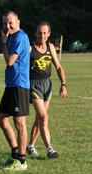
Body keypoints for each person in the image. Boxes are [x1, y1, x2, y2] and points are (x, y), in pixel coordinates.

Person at [27, 22, 67, 159]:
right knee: (43, 116)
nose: (42, 35)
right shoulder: (30, 48)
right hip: (33, 85)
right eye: (40, 32)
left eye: (45, 33)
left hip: (47, 85)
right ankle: (49, 149)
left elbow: (58, 67)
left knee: (40, 118)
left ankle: (31, 145)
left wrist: (63, 84)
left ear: (49, 34)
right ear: (35, 33)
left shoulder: (50, 47)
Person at [0, 11, 30, 170]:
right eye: (5, 24)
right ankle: (15, 153)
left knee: (19, 123)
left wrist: (4, 42)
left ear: (18, 23)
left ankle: (22, 161)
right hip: (11, 84)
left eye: (10, 23)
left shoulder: (19, 37)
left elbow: (10, 61)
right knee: (1, 119)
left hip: (19, 84)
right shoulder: (12, 37)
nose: (7, 26)